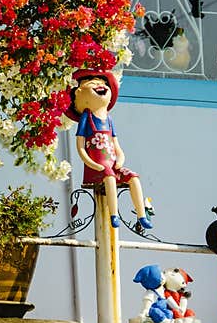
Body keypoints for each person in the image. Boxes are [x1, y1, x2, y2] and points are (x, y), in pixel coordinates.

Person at [65, 69, 152, 230]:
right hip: (96, 168)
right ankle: (114, 214)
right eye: (92, 84)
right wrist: (92, 164)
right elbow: (81, 146)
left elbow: (116, 145)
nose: (100, 86)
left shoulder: (109, 120)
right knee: (110, 178)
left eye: (102, 83)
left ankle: (141, 215)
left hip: (112, 165)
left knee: (133, 177)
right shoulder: (87, 118)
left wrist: (120, 159)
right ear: (78, 94)